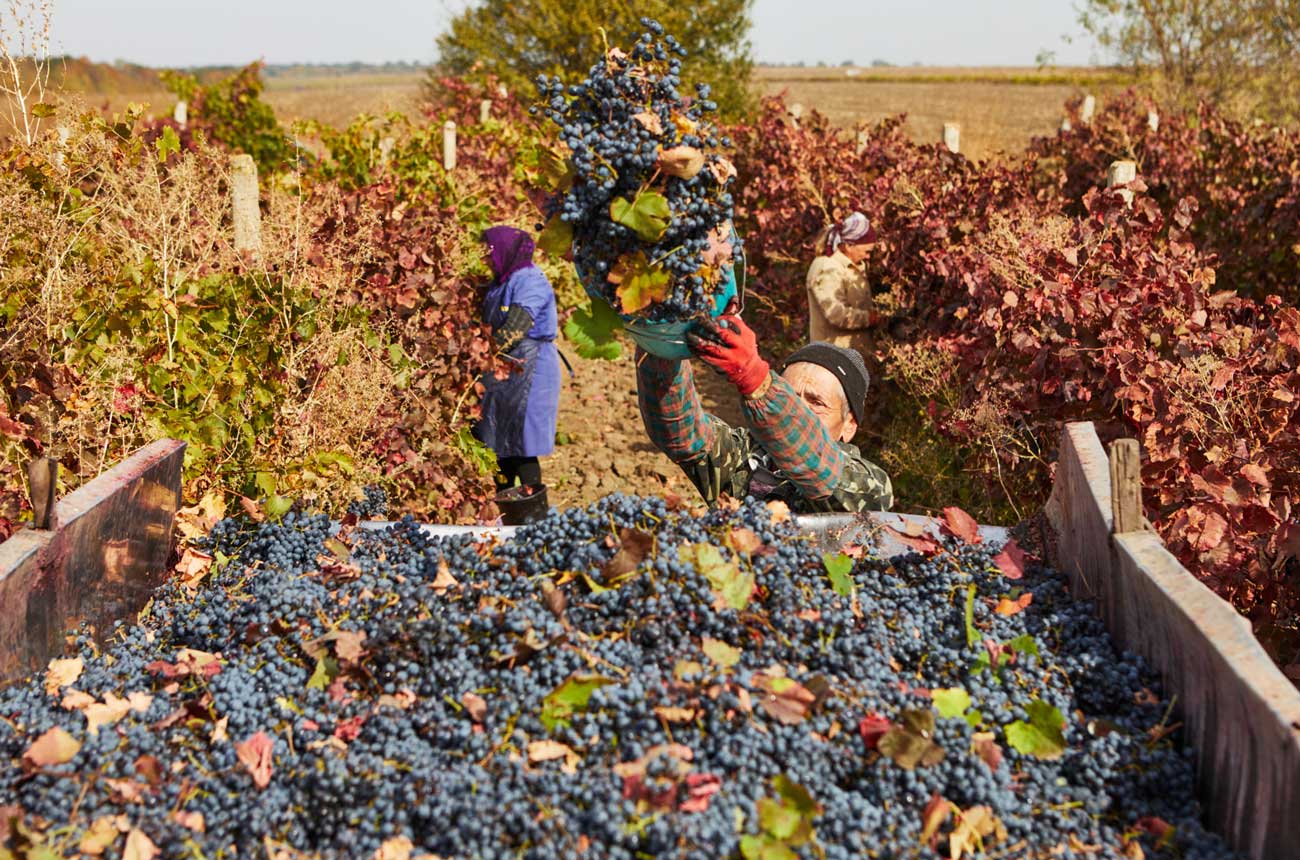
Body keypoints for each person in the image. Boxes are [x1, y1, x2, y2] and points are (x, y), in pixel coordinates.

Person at [635, 308, 893, 514]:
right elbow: (680, 432)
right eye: (790, 395)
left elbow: (818, 465)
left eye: (816, 403)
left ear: (849, 426)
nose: (800, 408)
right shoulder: (744, 454)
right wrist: (662, 339)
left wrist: (756, 379)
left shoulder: (869, 487)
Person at [473, 226, 561, 494]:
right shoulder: (499, 283)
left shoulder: (529, 279)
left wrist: (482, 355)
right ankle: (506, 510)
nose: (485, 258)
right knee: (499, 445)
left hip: (530, 367)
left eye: (488, 251)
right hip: (504, 367)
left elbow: (517, 325)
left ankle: (533, 514)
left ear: (503, 250)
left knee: (523, 444)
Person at [807, 211, 878, 359]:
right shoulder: (827, 268)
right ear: (849, 245)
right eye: (866, 251)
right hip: (834, 362)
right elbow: (836, 314)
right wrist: (871, 318)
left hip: (853, 358)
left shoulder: (853, 266)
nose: (868, 256)